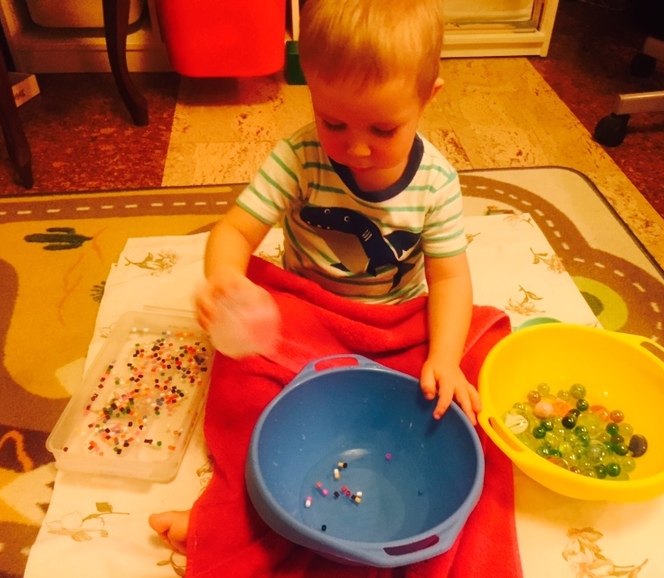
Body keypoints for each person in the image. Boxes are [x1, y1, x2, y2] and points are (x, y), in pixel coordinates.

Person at [150, 0, 479, 554]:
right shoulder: (299, 157)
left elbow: (449, 281)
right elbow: (235, 230)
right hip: (306, 315)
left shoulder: (437, 183)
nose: (356, 148)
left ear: (428, 98)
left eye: (383, 128)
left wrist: (445, 357)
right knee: (241, 384)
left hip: (391, 325)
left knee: (464, 387)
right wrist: (226, 280)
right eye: (334, 122)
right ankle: (228, 513)